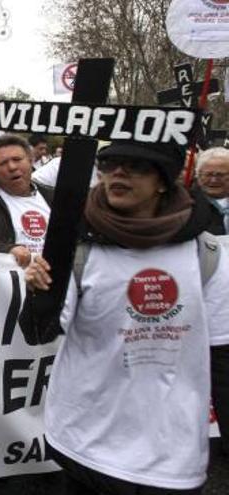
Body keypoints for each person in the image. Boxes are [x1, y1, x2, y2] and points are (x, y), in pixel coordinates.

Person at [23, 140, 229, 493]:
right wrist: (39, 294)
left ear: (163, 181)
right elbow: (38, 332)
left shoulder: (206, 254)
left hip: (171, 455)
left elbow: (223, 359)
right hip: (84, 443)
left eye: (135, 166)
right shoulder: (76, 248)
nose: (118, 173)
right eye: (110, 164)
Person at [0, 134, 54, 267]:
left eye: (17, 159)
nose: (12, 167)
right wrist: (7, 249)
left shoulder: (53, 197)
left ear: (30, 161)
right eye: (3, 163)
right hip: (11, 282)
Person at [196, 146, 229, 235]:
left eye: (220, 175)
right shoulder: (187, 205)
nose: (213, 180)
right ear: (198, 175)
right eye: (208, 174)